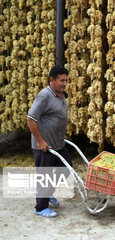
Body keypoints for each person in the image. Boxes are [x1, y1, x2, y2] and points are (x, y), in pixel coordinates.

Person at [27, 65, 72, 218]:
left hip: (58, 143)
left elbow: (55, 118)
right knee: (44, 176)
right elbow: (31, 119)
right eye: (61, 80)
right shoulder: (44, 96)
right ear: (51, 80)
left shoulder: (61, 94)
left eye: (66, 80)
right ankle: (40, 207)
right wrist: (40, 141)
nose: (65, 83)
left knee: (66, 169)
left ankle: (48, 193)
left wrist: (60, 134)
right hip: (44, 145)